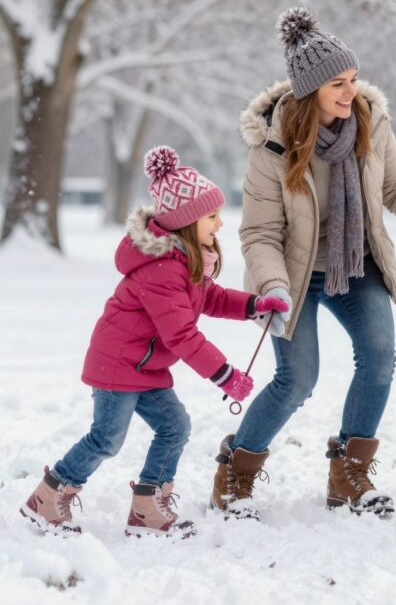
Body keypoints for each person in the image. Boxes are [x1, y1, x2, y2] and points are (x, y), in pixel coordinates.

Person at [211, 7, 396, 521]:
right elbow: (259, 233)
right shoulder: (272, 146)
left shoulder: (370, 123)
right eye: (338, 83)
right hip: (293, 275)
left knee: (379, 358)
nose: (351, 91)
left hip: (354, 264)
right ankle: (234, 473)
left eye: (353, 78)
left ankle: (348, 475)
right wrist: (272, 286)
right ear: (311, 90)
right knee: (297, 380)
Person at [20, 147, 286, 538]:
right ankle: (48, 496)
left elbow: (209, 298)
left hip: (145, 366)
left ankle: (147, 508)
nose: (219, 223)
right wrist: (225, 375)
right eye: (211, 216)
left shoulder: (185, 260)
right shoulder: (162, 269)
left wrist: (253, 305)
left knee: (175, 426)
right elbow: (181, 334)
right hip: (118, 364)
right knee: (107, 438)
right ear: (187, 221)